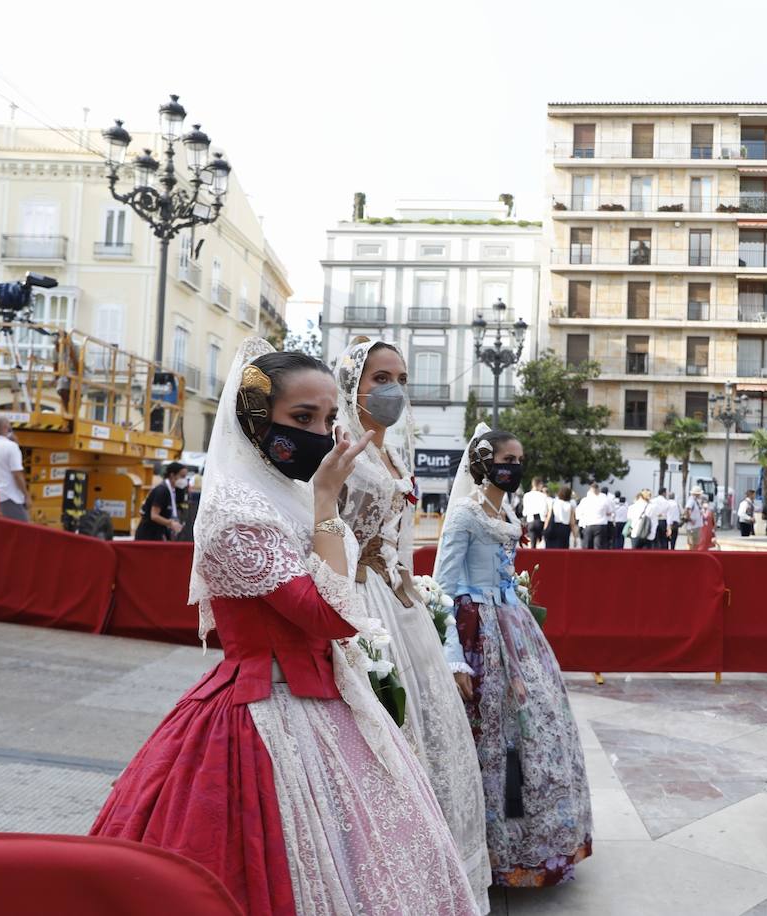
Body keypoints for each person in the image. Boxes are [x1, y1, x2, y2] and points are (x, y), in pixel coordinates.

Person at [92, 341, 480, 916]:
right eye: (302, 419)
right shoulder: (235, 511)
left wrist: (320, 501)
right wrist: (327, 498)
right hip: (262, 707)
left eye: (327, 418)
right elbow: (330, 614)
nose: (321, 434)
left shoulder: (290, 495)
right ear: (254, 419)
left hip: (326, 697)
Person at [334, 338, 491, 910]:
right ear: (353, 383)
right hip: (356, 597)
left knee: (428, 728)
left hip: (398, 603)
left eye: (399, 376)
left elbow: (402, 545)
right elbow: (322, 527)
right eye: (380, 377)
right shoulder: (340, 448)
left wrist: (419, 599)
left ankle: (433, 871)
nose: (393, 387)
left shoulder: (395, 455)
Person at [435, 426, 593, 887]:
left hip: (514, 626)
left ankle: (531, 842)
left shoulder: (505, 510)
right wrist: (454, 657)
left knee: (533, 729)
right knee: (494, 735)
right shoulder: (464, 514)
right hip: (478, 628)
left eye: (520, 460)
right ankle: (489, 845)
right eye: (507, 459)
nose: (515, 468)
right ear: (483, 463)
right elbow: (445, 585)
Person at [0, 416, 30, 521]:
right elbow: (17, 475)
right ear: (5, 427)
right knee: (24, 531)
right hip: (10, 497)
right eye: (10, 428)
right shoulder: (11, 447)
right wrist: (26, 495)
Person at [133, 461, 189, 541]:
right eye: (182, 476)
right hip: (148, 535)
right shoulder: (162, 491)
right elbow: (154, 515)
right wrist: (171, 523)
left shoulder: (174, 490)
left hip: (159, 532)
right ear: (172, 475)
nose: (184, 480)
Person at [577, 482, 612, 550]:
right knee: (599, 547)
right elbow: (609, 512)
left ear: (590, 490)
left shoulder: (585, 500)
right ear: (598, 490)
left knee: (587, 547)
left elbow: (579, 513)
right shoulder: (604, 499)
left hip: (588, 524)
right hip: (601, 525)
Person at [544, 484, 576, 549]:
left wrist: (545, 529)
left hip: (553, 527)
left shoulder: (554, 503)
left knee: (550, 548)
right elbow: (572, 523)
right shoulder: (570, 506)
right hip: (565, 528)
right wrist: (575, 536)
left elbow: (548, 517)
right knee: (563, 549)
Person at [522, 477, 549, 548]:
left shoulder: (526, 495)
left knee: (532, 544)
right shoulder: (543, 496)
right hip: (540, 520)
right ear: (539, 485)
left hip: (530, 520)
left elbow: (524, 511)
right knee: (541, 544)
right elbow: (545, 510)